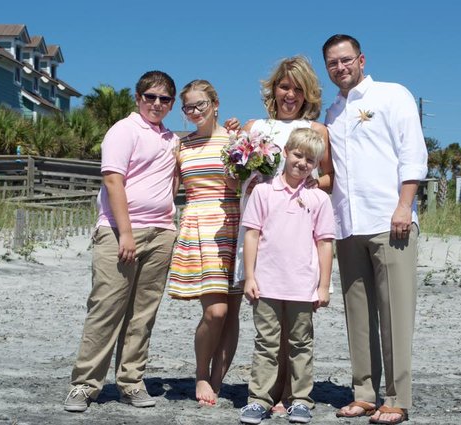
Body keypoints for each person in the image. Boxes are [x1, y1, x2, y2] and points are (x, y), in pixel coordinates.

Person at [322, 34, 428, 425]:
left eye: (346, 60)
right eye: (333, 63)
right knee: (359, 315)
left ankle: (397, 399)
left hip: (390, 221)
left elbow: (413, 153)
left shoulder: (392, 95)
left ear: (361, 60)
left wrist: (404, 205)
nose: (340, 68)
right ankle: (364, 393)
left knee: (395, 314)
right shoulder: (332, 113)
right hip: (348, 225)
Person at [63, 71, 180, 412]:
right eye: (150, 96)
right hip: (120, 232)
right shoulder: (123, 130)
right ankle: (85, 385)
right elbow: (113, 181)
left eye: (164, 99)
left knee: (142, 314)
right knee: (106, 308)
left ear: (171, 104)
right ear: (138, 97)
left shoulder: (171, 138)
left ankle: (131, 382)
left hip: (161, 233)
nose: (156, 103)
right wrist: (125, 233)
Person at [233, 56, 333, 413]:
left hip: (299, 239)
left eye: (298, 88)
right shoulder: (255, 126)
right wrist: (253, 175)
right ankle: (264, 395)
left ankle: (294, 397)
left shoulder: (316, 131)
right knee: (268, 332)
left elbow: (328, 179)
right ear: (274, 88)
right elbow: (237, 170)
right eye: (284, 86)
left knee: (299, 334)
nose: (290, 94)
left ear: (308, 93)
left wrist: (298, 184)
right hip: (264, 231)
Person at [166, 80, 242, 406]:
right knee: (215, 311)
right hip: (198, 224)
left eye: (201, 105)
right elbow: (169, 192)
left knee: (232, 312)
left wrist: (238, 150)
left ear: (215, 103)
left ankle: (217, 380)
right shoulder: (182, 146)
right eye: (189, 107)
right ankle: (200, 373)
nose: (195, 112)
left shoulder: (235, 140)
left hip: (233, 222)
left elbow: (241, 183)